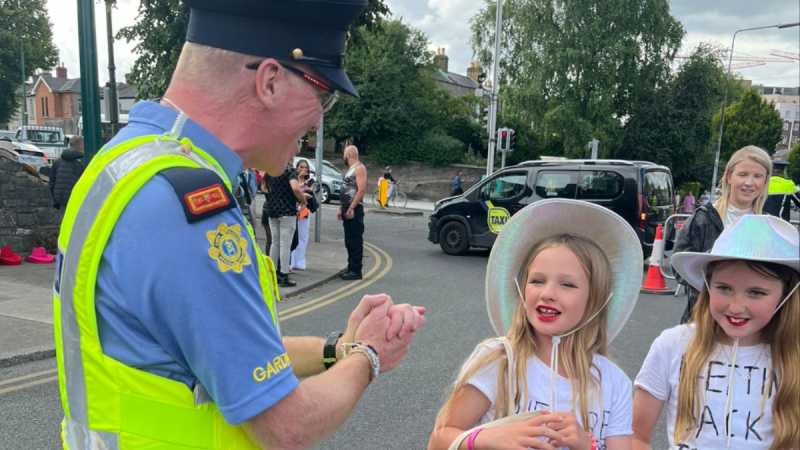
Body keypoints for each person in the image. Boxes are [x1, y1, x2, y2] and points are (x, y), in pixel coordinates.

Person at [52, 1, 427, 448]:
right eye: (321, 94)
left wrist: (339, 348)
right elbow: (288, 426)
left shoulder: (123, 162)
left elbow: (229, 355)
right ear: (269, 81)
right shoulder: (187, 206)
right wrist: (369, 355)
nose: (318, 120)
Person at [429, 199, 643, 450]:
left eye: (567, 284)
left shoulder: (613, 382)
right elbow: (438, 440)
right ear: (522, 288)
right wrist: (488, 438)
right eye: (537, 280)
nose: (547, 293)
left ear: (596, 300)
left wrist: (588, 445)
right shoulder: (499, 361)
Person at [633, 215, 799, 450]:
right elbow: (635, 437)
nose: (736, 307)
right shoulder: (674, 344)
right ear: (708, 286)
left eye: (756, 293)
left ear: (787, 295)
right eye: (724, 288)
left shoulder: (794, 356)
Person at [673, 146, 771, 323]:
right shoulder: (702, 219)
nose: (749, 182)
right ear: (729, 177)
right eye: (743, 174)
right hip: (703, 320)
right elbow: (679, 269)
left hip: (751, 324)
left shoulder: (768, 227)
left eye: (757, 176)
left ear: (765, 181)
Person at [267, 163, 306, 287]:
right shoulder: (290, 171)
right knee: (285, 245)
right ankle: (284, 275)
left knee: (275, 242)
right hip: (287, 212)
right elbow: (295, 188)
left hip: (272, 211)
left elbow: (263, 187)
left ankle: (272, 273)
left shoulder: (272, 169)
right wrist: (303, 200)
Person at [338, 145, 366, 280]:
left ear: (348, 155)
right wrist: (341, 208)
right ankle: (351, 267)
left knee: (355, 240)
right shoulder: (351, 169)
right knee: (349, 240)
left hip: (354, 209)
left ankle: (356, 270)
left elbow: (361, 190)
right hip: (347, 208)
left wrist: (352, 208)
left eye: (344, 153)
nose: (343, 156)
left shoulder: (359, 168)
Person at [290, 159, 315, 271]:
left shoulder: (310, 181)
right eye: (301, 167)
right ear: (297, 168)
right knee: (292, 236)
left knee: (303, 236)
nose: (304, 170)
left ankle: (300, 261)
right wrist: (300, 178)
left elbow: (310, 192)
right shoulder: (293, 178)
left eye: (306, 168)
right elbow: (293, 189)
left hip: (304, 210)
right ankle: (291, 261)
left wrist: (306, 190)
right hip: (293, 209)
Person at [48, 135, 85, 210]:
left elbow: (51, 184)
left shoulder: (57, 162)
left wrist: (55, 199)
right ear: (81, 148)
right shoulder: (83, 162)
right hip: (78, 200)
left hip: (61, 201)